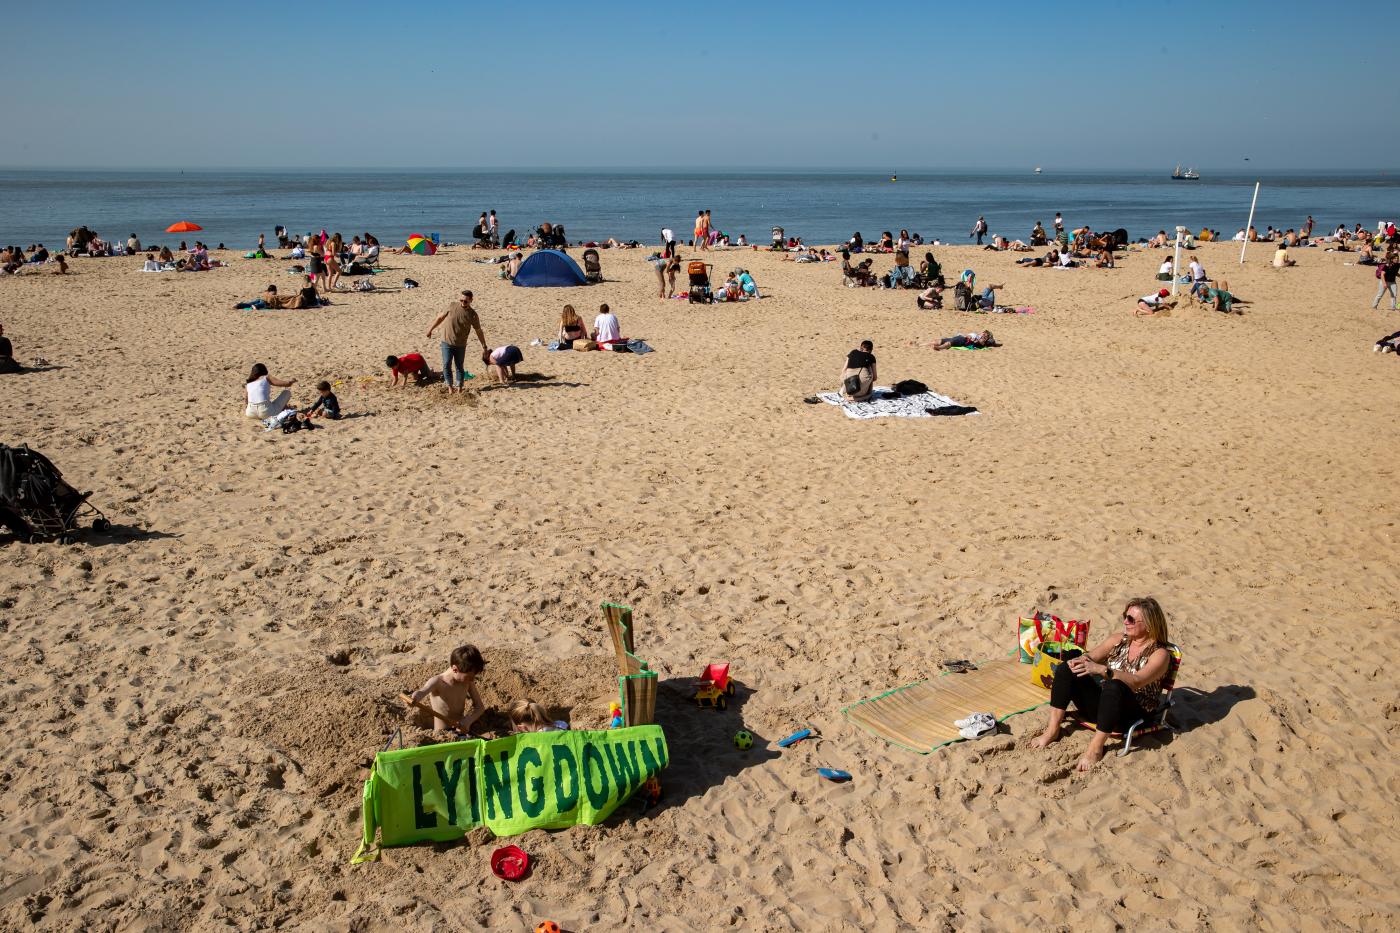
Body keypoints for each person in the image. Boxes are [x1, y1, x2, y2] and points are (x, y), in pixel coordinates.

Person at [1031, 597, 1174, 771]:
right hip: (1104, 707)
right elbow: (1090, 656)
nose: (1124, 622)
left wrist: (1102, 671)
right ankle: (1052, 730)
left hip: (1131, 715)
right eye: (1125, 616)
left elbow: (1137, 682)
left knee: (1115, 685)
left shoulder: (1160, 654)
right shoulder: (1118, 640)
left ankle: (1095, 748)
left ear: (1150, 625)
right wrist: (1079, 661)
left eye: (1130, 619)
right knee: (1065, 669)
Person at [404, 645, 487, 734]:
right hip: (442, 733)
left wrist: (468, 721)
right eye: (469, 676)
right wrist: (415, 697)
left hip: (461, 730)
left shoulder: (467, 682)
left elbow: (480, 707)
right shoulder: (438, 682)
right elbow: (422, 692)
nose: (472, 680)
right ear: (455, 669)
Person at [427, 290, 487, 392]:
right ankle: (450, 387)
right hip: (446, 341)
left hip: (461, 344)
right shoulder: (452, 306)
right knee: (446, 364)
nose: (463, 302)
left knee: (459, 366)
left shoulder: (473, 315)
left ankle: (459, 388)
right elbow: (440, 318)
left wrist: (484, 346)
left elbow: (478, 331)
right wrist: (430, 329)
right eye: (461, 300)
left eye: (465, 301)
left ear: (471, 300)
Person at [933, 330, 998, 350]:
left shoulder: (982, 340)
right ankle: (923, 345)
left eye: (985, 334)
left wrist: (975, 340)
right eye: (983, 333)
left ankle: (939, 348)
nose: (983, 334)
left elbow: (981, 343)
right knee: (938, 341)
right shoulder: (979, 336)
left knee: (949, 343)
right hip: (962, 337)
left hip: (964, 339)